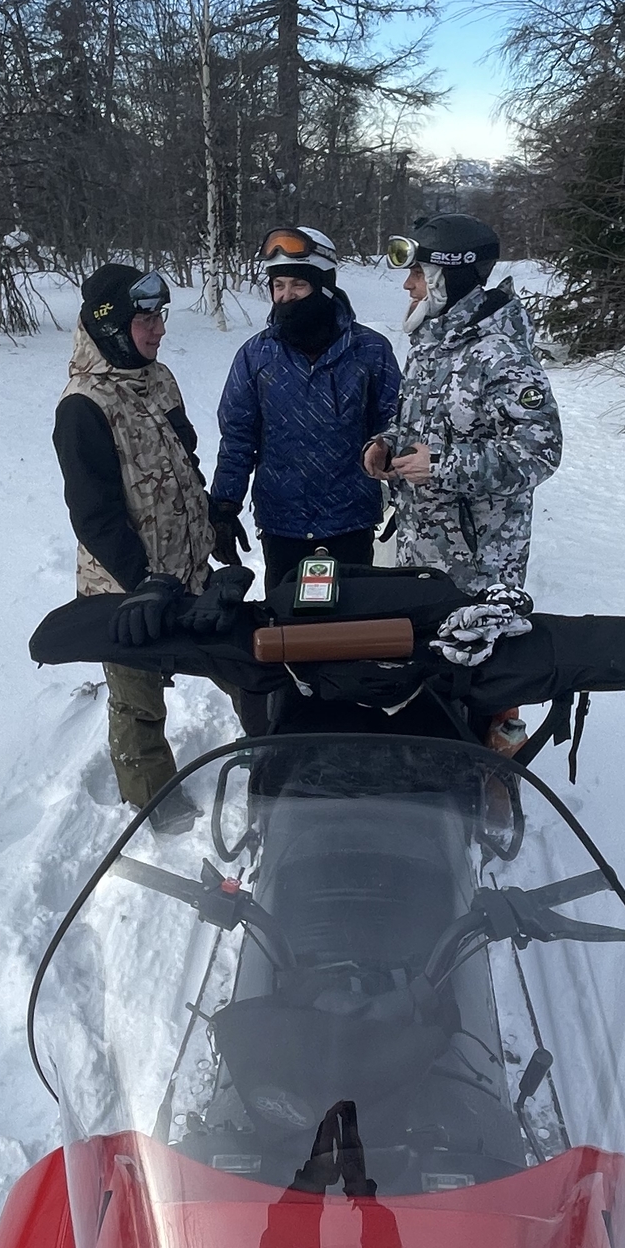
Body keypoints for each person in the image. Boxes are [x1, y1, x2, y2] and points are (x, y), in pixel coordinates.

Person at [364, 213, 562, 750]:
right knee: (433, 679)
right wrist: (385, 444)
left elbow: (539, 454)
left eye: (418, 274)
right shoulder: (433, 344)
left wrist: (443, 466)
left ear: (448, 277)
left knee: (485, 685)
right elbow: (423, 427)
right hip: (423, 554)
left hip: (480, 568)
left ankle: (494, 774)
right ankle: (436, 769)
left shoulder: (501, 355)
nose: (408, 286)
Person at [54, 262, 215, 823]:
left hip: (189, 573)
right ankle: (157, 812)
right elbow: (93, 515)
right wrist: (143, 583)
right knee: (137, 703)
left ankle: (274, 767)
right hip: (127, 591)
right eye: (146, 319)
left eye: (160, 316)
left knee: (244, 667)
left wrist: (212, 518)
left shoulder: (159, 378)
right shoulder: (82, 407)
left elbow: (184, 460)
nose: (160, 329)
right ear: (113, 325)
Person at [209, 225, 403, 597]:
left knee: (351, 621)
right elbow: (237, 437)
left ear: (324, 286)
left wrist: (401, 493)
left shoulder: (369, 350)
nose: (286, 296)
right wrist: (224, 507)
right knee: (285, 624)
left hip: (350, 521)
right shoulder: (256, 355)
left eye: (298, 285)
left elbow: (395, 423)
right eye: (278, 285)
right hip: (283, 524)